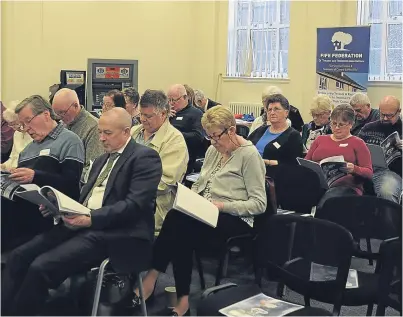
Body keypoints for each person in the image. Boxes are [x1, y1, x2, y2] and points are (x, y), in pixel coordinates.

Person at [1, 108, 163, 316]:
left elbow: (134, 206)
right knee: (18, 256)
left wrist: (90, 219)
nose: (101, 138)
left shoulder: (144, 157)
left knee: (41, 267)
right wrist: (57, 208)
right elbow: (84, 200)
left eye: (108, 133)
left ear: (126, 131)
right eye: (99, 132)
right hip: (85, 224)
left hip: (120, 233)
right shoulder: (101, 161)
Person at [131, 106, 267, 316]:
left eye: (216, 136)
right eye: (209, 136)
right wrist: (190, 198)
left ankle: (154, 277)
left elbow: (259, 204)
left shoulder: (249, 156)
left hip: (235, 218)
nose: (212, 142)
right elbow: (201, 183)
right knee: (179, 222)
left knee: (179, 224)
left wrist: (222, 206)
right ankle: (181, 297)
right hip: (207, 212)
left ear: (231, 131)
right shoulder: (213, 150)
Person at [1, 95, 85, 251]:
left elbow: (72, 185)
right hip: (22, 213)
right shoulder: (27, 150)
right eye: (22, 124)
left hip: (49, 216)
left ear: (46, 115)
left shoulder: (69, 141)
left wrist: (35, 176)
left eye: (28, 121)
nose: (25, 129)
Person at [131, 89, 189, 232]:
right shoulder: (133, 132)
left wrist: (126, 182)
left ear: (164, 114)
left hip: (154, 208)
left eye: (148, 116)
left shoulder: (175, 141)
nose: (143, 119)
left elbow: (164, 184)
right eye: (141, 114)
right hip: (128, 200)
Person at [305, 104, 373, 207]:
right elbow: (306, 162)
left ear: (351, 124)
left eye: (341, 124)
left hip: (346, 187)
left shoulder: (358, 143)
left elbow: (369, 172)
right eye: (333, 124)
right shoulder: (320, 139)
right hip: (317, 183)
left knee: (327, 202)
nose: (336, 128)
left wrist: (354, 169)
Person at [52, 88, 105, 179]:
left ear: (76, 106)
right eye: (56, 113)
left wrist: (62, 176)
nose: (60, 117)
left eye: (62, 112)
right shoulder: (63, 124)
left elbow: (94, 168)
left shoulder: (93, 127)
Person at [358, 95, 402, 203]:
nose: (385, 118)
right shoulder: (368, 128)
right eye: (382, 114)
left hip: (393, 172)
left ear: (399, 112)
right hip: (366, 169)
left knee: (386, 191)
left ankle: (389, 219)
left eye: (390, 115)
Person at [248, 94, 303, 178]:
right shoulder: (261, 130)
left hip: (272, 177)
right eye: (269, 110)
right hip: (250, 170)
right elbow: (246, 145)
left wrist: (268, 162)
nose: (272, 112)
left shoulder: (293, 136)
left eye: (276, 109)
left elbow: (293, 164)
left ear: (286, 113)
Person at [168, 84, 204, 174]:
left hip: (184, 157)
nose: (171, 103)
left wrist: (174, 135)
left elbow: (198, 136)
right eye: (169, 100)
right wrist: (164, 119)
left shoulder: (196, 113)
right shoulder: (167, 114)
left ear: (185, 98)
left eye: (174, 100)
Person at [0, 101, 32, 171]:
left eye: (16, 124)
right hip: (13, 172)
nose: (15, 128)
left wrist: (17, 168)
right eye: (11, 125)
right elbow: (12, 158)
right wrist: (3, 166)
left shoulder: (33, 134)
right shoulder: (17, 134)